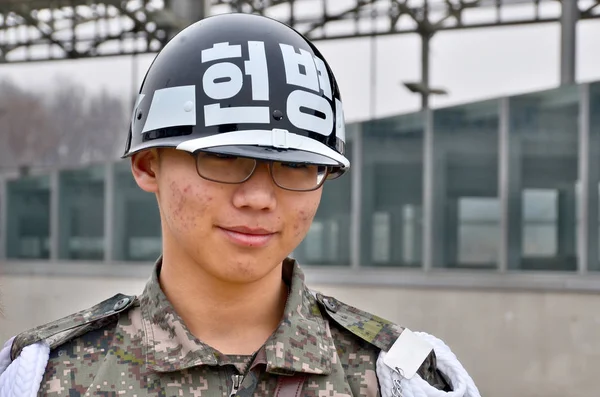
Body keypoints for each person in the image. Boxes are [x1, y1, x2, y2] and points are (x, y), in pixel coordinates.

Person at [0, 13, 480, 397]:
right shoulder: (41, 378)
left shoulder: (400, 378)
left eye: (295, 166)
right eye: (224, 158)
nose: (258, 198)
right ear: (148, 166)